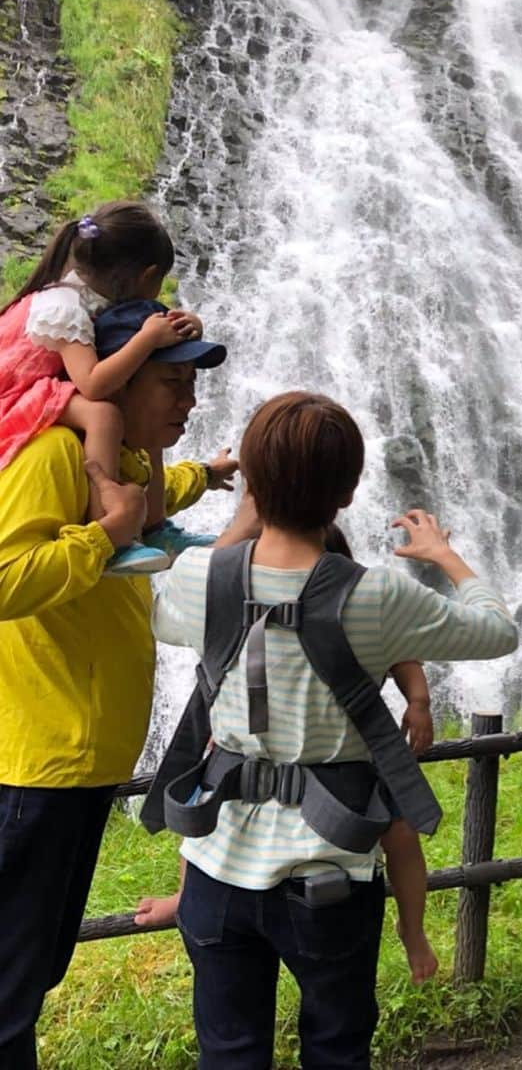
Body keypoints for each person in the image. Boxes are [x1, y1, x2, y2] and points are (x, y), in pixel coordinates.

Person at [149, 392, 518, 1067]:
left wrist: (241, 520)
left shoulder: (200, 576)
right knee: (338, 1051)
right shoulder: (378, 594)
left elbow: (168, 616)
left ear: (252, 483)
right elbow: (497, 631)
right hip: (330, 876)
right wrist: (444, 557)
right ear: (348, 493)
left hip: (215, 871)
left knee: (227, 1054)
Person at [0, 333, 232, 1067]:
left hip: (81, 764)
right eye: (171, 384)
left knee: (30, 972)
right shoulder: (54, 458)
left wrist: (207, 473)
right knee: (7, 984)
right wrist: (104, 535)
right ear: (118, 382)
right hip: (36, 768)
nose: (190, 402)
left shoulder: (119, 462)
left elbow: (148, 501)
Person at [135, 523, 440, 984]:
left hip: (347, 760)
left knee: (401, 834)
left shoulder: (355, 610)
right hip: (248, 758)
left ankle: (412, 929)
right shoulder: (241, 610)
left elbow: (406, 657)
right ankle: (184, 897)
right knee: (208, 818)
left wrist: (419, 703)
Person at [0, 200, 213, 572]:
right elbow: (94, 384)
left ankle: (154, 526)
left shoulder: (89, 292)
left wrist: (187, 321)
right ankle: (110, 530)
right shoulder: (62, 307)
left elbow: (139, 322)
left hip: (38, 387)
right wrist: (146, 340)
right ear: (147, 276)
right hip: (14, 396)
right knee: (105, 415)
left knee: (149, 430)